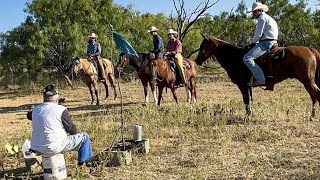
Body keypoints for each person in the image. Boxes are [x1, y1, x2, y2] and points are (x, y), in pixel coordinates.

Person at [27, 84, 93, 166]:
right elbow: (72, 129)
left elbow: (29, 116)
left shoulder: (35, 110)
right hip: (54, 146)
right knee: (85, 137)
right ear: (57, 97)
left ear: (43, 97)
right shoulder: (61, 109)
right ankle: (83, 163)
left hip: (35, 147)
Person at [244, 2, 279, 87]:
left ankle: (261, 79)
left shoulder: (262, 18)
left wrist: (252, 43)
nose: (253, 13)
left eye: (254, 11)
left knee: (247, 58)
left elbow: (258, 34)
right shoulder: (268, 17)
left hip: (266, 42)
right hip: (271, 40)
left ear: (259, 10)